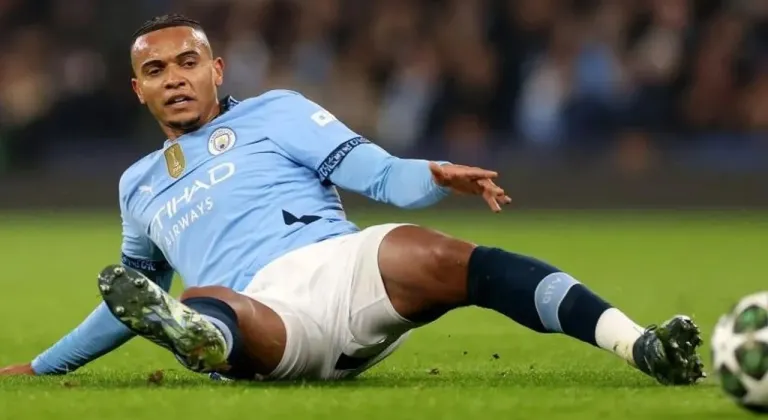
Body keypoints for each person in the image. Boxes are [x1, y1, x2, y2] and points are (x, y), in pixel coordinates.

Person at [0, 14, 705, 385]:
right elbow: (133, 295)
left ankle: (638, 344)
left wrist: (434, 174)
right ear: (139, 90)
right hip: (263, 310)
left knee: (451, 258)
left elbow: (377, 172)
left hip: (343, 266)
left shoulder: (276, 111)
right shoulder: (138, 183)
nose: (175, 78)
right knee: (205, 302)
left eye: (188, 63)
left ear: (216, 69)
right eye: (156, 71)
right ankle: (204, 335)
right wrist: (47, 364)